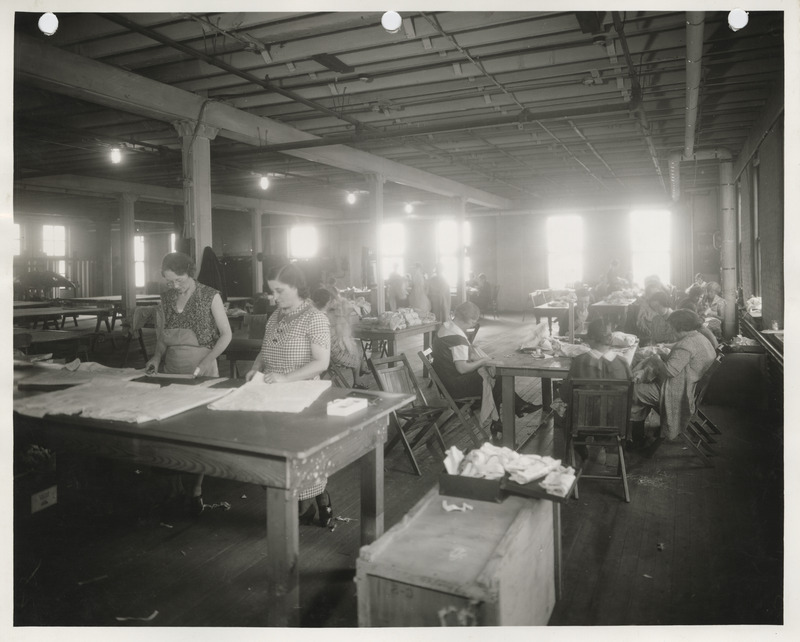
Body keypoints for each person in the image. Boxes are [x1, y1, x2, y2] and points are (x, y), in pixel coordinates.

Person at [245, 264, 334, 527]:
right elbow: (265, 349)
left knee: (301, 457)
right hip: (272, 397)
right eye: (272, 291)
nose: (274, 297)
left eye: (279, 291)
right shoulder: (276, 316)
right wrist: (255, 368)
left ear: (296, 288)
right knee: (274, 455)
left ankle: (314, 502)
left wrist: (286, 377)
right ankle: (297, 506)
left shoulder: (315, 318)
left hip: (302, 398)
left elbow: (321, 363)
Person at [145, 251, 233, 515]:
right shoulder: (167, 297)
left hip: (201, 369)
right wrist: (156, 358)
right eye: (169, 281)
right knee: (169, 430)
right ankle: (175, 491)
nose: (175, 286)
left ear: (190, 273)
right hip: (171, 372)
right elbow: (163, 337)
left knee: (199, 433)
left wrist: (209, 359)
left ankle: (195, 492)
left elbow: (226, 335)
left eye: (179, 280)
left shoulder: (209, 295)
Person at [432, 301, 540, 441]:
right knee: (498, 377)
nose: (473, 325)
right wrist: (482, 361)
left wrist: (471, 351)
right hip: (455, 386)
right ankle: (509, 413)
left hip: (445, 380)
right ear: (470, 320)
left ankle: (507, 415)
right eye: (474, 322)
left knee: (495, 377)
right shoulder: (457, 338)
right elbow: (462, 368)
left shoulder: (446, 327)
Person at [629, 309, 716, 454]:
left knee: (633, 392)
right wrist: (663, 351)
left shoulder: (686, 345)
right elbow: (679, 356)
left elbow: (669, 371)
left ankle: (636, 440)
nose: (671, 330)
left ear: (680, 327)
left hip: (676, 393)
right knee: (642, 390)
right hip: (687, 388)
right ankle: (639, 436)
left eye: (671, 327)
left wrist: (657, 359)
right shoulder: (699, 337)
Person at [559, 318, 633, 461]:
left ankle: (579, 446)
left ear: (591, 339)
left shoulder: (579, 361)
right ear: (610, 340)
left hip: (582, 420)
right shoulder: (623, 362)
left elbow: (565, 395)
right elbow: (632, 396)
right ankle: (604, 443)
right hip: (615, 421)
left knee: (561, 408)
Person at [311, 287, 366, 388]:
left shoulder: (315, 315)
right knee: (356, 357)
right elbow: (339, 337)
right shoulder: (325, 318)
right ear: (329, 302)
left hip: (321, 352)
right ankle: (357, 382)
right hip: (331, 354)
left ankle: (360, 371)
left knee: (355, 347)